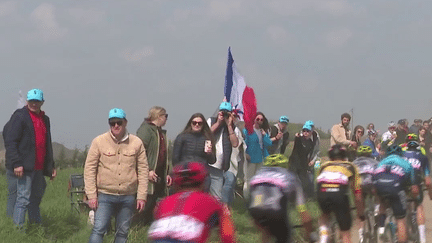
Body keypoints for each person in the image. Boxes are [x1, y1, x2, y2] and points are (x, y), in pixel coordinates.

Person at [84, 108, 149, 243]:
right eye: (112, 123)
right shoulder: (98, 141)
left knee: (122, 233)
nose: (116, 126)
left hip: (127, 196)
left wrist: (142, 196)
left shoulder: (136, 143)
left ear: (125, 122)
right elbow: (89, 169)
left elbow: (143, 170)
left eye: (119, 122)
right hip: (104, 195)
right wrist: (91, 195)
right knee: (99, 229)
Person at [3, 88, 57, 228]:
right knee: (22, 199)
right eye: (32, 101)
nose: (34, 104)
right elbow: (11, 141)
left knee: (36, 199)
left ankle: (35, 227)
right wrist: (16, 163)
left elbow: (47, 143)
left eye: (37, 101)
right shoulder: (20, 116)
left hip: (38, 168)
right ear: (27, 101)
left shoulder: (45, 119)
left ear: (42, 102)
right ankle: (18, 231)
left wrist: (51, 166)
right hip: (24, 167)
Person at [147, 161, 235, 243]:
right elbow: (227, 236)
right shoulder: (209, 201)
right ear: (202, 181)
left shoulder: (164, 203)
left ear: (176, 183)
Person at [248, 154, 313, 243]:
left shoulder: (257, 176)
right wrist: (309, 235)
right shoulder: (289, 176)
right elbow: (302, 211)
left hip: (255, 209)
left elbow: (256, 203)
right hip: (276, 211)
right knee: (284, 237)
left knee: (266, 231)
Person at [316, 144, 364, 243]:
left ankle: (323, 236)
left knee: (324, 215)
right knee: (345, 232)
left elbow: (319, 182)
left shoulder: (324, 166)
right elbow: (357, 194)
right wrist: (360, 213)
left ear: (330, 156)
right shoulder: (351, 166)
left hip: (322, 192)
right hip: (339, 195)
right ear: (344, 156)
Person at [373, 145, 418, 243]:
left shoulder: (381, 163)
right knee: (400, 219)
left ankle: (381, 229)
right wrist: (414, 199)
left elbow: (374, 180)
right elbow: (414, 187)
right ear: (400, 154)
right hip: (395, 186)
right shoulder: (406, 163)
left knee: (382, 203)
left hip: (379, 184)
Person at [136, 106, 172, 226]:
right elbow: (138, 153)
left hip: (159, 174)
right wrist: (147, 172)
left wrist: (167, 173)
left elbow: (164, 155)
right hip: (148, 175)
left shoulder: (160, 132)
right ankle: (138, 229)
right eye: (165, 116)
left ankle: (150, 229)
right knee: (144, 205)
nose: (166, 119)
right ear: (159, 116)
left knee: (154, 204)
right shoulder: (146, 130)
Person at [207, 102, 240, 200]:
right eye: (222, 112)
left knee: (217, 197)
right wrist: (218, 122)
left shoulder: (233, 128)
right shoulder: (211, 120)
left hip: (219, 166)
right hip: (207, 162)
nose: (224, 115)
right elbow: (206, 134)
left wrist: (229, 125)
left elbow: (235, 144)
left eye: (227, 113)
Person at [403, 140, 432, 243]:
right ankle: (423, 239)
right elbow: (428, 182)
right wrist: (430, 194)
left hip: (402, 185)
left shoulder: (402, 155)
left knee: (402, 209)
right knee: (419, 207)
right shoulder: (423, 157)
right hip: (416, 184)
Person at [352, 145, 379, 242]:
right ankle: (376, 210)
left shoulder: (354, 163)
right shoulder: (375, 162)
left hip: (358, 186)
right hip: (370, 184)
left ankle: (361, 234)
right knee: (377, 196)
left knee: (360, 211)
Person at [243, 112, 272, 197]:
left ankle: (256, 199)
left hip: (260, 159)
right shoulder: (247, 130)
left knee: (259, 181)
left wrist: (264, 135)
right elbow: (244, 143)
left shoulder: (262, 132)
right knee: (248, 180)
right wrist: (245, 154)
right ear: (254, 120)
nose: (259, 121)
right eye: (257, 119)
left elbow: (268, 143)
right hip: (250, 159)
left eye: (261, 120)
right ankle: (247, 199)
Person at [288, 124, 316, 199]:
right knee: (291, 181)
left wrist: (310, 161)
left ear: (311, 132)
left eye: (307, 131)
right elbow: (297, 146)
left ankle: (308, 197)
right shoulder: (299, 139)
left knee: (305, 182)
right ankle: (290, 198)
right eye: (304, 131)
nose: (305, 132)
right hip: (294, 163)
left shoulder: (310, 142)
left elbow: (307, 153)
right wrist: (297, 137)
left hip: (303, 164)